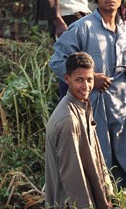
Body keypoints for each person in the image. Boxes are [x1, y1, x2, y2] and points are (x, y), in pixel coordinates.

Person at [49, 0, 126, 187]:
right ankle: (97, 193)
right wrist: (89, 80)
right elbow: (58, 61)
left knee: (122, 149)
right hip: (92, 103)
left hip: (123, 102)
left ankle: (121, 191)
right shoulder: (82, 28)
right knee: (94, 150)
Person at [44, 52, 114, 209]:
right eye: (79, 80)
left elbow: (94, 156)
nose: (86, 86)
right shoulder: (68, 120)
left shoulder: (82, 105)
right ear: (67, 79)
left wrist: (107, 193)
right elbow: (73, 177)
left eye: (89, 80)